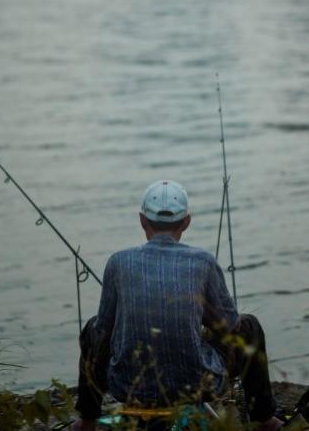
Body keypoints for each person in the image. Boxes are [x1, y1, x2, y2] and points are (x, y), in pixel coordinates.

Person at [71, 180, 283, 431]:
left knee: (92, 328)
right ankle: (265, 419)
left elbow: (104, 329)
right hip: (199, 385)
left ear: (142, 220)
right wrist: (199, 320)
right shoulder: (203, 262)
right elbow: (230, 325)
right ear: (186, 222)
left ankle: (86, 421)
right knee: (250, 327)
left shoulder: (117, 262)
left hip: (127, 387)